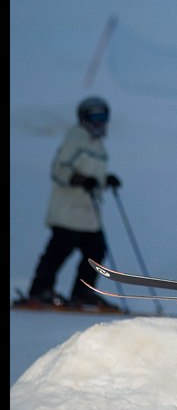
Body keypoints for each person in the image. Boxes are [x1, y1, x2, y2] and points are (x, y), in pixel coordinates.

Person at [25, 97, 122, 311]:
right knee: (58, 252)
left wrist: (105, 180)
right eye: (94, 117)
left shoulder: (97, 143)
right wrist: (79, 179)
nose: (99, 122)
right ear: (84, 118)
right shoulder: (76, 138)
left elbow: (92, 174)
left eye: (103, 116)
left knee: (96, 251)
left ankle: (83, 293)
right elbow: (59, 169)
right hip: (68, 212)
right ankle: (39, 291)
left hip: (88, 215)